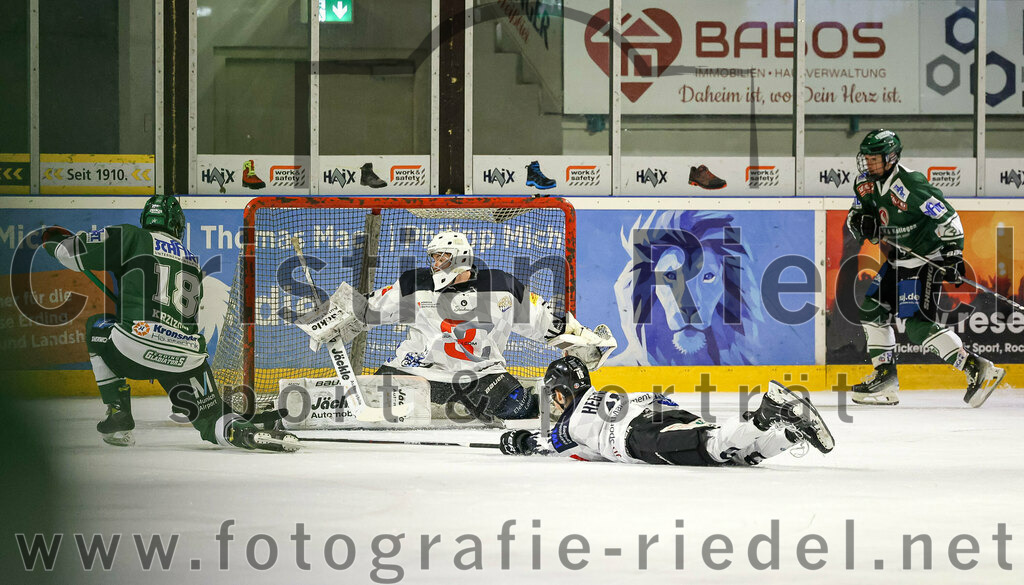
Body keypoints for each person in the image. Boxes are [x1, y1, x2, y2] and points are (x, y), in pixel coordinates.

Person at [40, 195, 298, 451]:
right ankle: (242, 432)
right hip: (185, 359)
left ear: (145, 219)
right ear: (178, 226)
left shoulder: (131, 236)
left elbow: (69, 253)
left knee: (97, 325)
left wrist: (51, 238)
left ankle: (118, 412)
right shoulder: (191, 259)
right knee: (210, 417)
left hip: (134, 350)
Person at [297, 230, 615, 421]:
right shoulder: (415, 283)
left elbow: (547, 323)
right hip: (417, 370)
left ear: (461, 257)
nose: (436, 264)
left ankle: (555, 406)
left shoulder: (501, 286)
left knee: (518, 409)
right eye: (434, 258)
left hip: (480, 376)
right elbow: (369, 310)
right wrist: (329, 317)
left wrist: (586, 343)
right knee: (363, 403)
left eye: (442, 257)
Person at [846, 129, 1006, 407]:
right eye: (867, 158)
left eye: (875, 159)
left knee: (918, 326)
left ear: (891, 158)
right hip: (896, 261)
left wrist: (953, 255)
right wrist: (861, 224)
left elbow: (948, 216)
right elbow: (855, 215)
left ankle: (977, 367)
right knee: (871, 311)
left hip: (924, 261)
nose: (868, 164)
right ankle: (885, 377)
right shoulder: (864, 184)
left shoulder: (911, 184)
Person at [497, 356, 834, 465]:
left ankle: (767, 411)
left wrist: (517, 441)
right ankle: (791, 432)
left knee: (714, 448)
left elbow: (547, 444)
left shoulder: (570, 425)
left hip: (641, 437)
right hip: (659, 415)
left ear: (561, 391)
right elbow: (658, 399)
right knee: (738, 455)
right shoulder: (609, 392)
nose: (554, 402)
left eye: (554, 394)